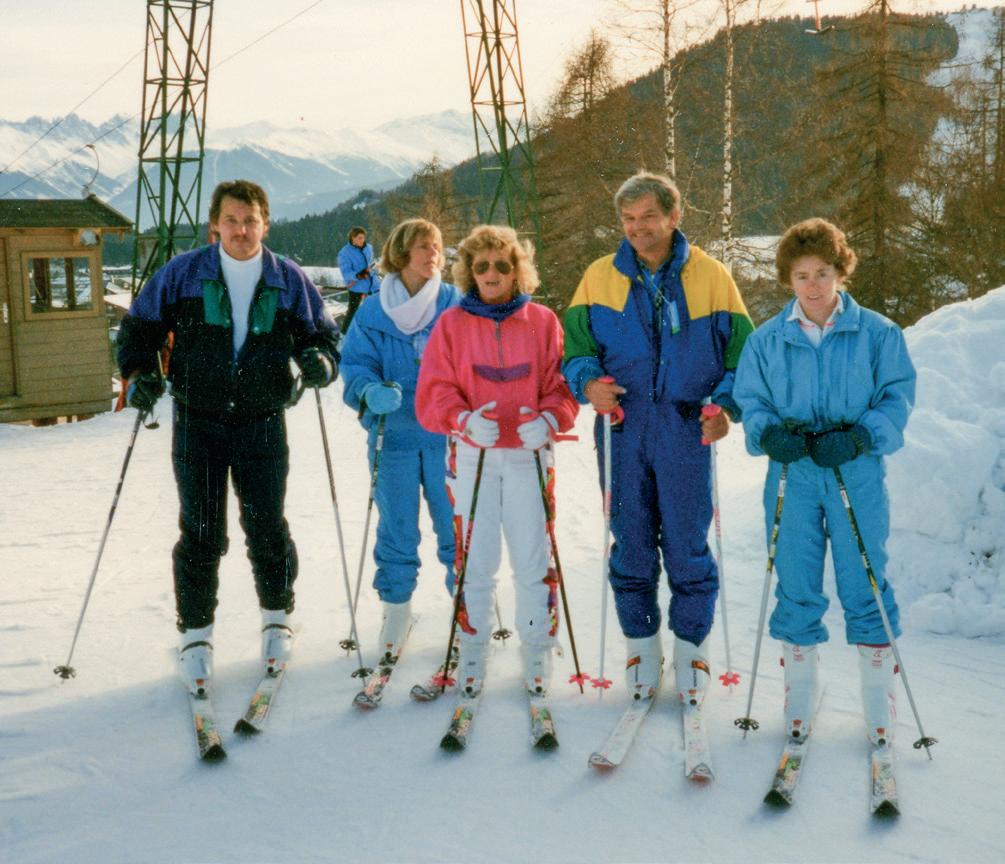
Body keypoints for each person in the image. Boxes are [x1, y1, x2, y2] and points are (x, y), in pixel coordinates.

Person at [117, 179, 340, 697]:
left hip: (263, 421)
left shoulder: (288, 279)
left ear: (266, 224)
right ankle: (195, 634)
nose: (241, 230)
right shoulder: (183, 274)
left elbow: (324, 337)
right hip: (199, 421)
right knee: (201, 530)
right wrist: (140, 372)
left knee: (267, 526)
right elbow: (138, 330)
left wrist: (320, 362)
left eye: (251, 221)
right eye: (232, 221)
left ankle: (277, 619)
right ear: (215, 225)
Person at [562, 172, 754, 705]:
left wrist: (726, 407)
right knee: (632, 541)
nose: (638, 228)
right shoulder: (598, 277)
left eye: (648, 216)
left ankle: (692, 649)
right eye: (628, 219)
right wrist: (588, 385)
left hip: (686, 426)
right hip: (623, 426)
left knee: (688, 543)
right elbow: (576, 351)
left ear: (674, 216)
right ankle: (641, 647)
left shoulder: (712, 276)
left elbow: (743, 357)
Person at [733, 217, 916, 745]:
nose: (812, 286)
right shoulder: (767, 340)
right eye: (801, 275)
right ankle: (800, 689)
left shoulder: (878, 333)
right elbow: (752, 402)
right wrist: (769, 434)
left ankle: (879, 696)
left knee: (865, 578)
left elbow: (897, 398)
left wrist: (860, 437)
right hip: (794, 471)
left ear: (840, 272)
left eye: (822, 273)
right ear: (788, 279)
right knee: (794, 576)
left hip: (853, 468)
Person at [416, 224, 579, 699]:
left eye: (502, 265)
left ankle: (537, 645)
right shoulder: (451, 324)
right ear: (469, 271)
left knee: (532, 555)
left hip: (528, 455)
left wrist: (550, 419)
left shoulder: (542, 321)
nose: (492, 273)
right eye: (482, 265)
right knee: (476, 556)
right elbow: (435, 389)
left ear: (517, 270)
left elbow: (561, 385)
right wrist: (462, 419)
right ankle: (472, 646)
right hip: (475, 456)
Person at [340, 219, 460, 686]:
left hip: (447, 434)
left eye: (437, 246)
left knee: (456, 526)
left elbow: (476, 358)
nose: (433, 254)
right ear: (400, 253)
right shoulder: (373, 311)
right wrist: (368, 390)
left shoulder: (454, 304)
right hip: (393, 435)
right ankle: (395, 612)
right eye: (423, 246)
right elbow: (355, 364)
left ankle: (467, 609)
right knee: (397, 528)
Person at [338, 226, 380, 335]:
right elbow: (346, 272)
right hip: (356, 286)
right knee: (352, 311)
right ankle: (344, 334)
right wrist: (358, 275)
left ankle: (373, 332)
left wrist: (373, 270)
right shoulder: (345, 253)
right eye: (359, 238)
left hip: (372, 284)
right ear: (353, 238)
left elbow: (371, 263)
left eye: (363, 238)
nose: (362, 240)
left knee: (376, 309)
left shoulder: (368, 248)